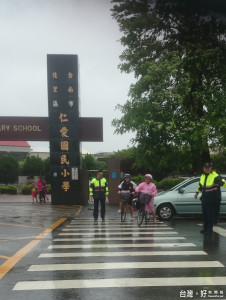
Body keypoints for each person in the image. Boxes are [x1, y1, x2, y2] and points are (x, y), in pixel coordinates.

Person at [194, 162, 226, 234]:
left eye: (208, 168)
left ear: (211, 168)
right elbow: (201, 186)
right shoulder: (202, 176)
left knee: (210, 214)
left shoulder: (215, 176)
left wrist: (222, 183)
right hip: (205, 197)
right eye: (206, 168)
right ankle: (205, 228)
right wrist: (196, 193)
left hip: (212, 198)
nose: (207, 169)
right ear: (203, 168)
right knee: (205, 214)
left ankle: (209, 229)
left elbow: (223, 183)